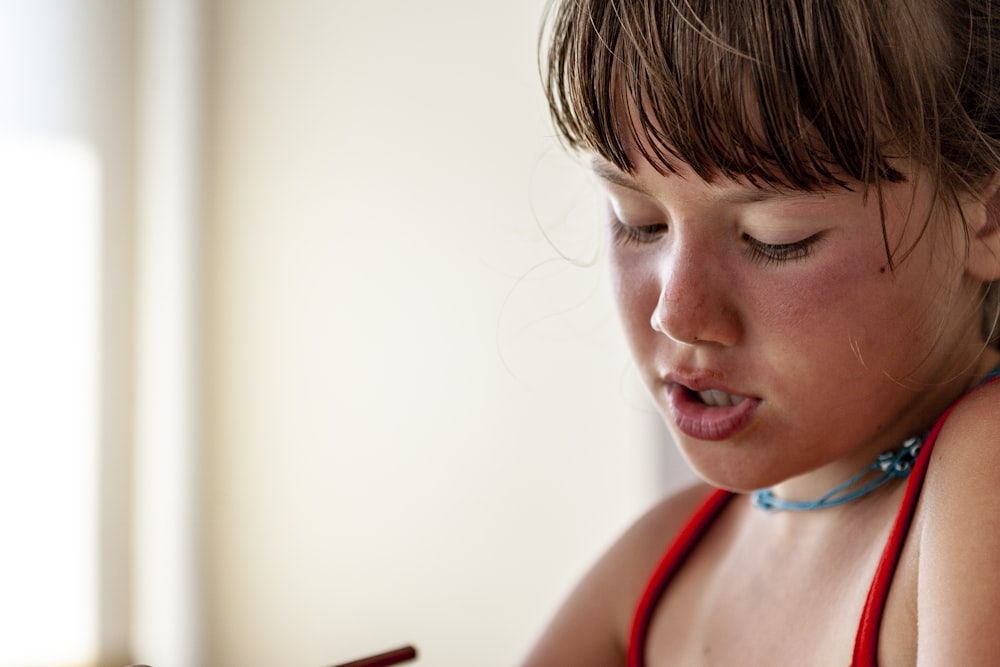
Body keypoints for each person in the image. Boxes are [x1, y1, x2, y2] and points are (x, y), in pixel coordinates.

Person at [523, 0, 1000, 665]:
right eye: (639, 220)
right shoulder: (656, 566)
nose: (677, 313)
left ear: (987, 216)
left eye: (775, 238)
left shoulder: (986, 466)